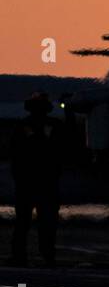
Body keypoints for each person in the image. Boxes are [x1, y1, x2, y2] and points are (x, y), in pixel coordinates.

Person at [9, 92, 63, 266]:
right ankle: (47, 255)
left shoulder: (22, 126)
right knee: (45, 222)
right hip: (44, 181)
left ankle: (21, 256)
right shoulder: (54, 126)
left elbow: (15, 153)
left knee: (23, 222)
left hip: (29, 181)